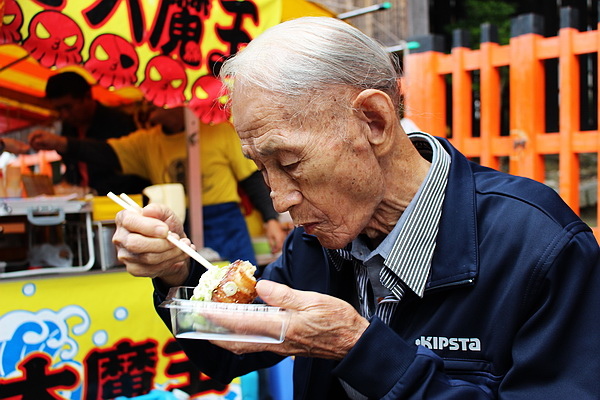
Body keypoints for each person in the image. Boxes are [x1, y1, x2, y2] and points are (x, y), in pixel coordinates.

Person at [112, 17, 600, 400]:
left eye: (290, 161)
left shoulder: (539, 247)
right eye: (261, 168)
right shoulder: (318, 240)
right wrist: (177, 273)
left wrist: (360, 349)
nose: (281, 201)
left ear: (373, 119)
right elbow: (229, 351)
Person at [28, 71, 150, 195]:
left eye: (68, 107)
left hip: (118, 205)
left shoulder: (119, 122)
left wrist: (93, 192)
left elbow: (127, 174)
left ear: (87, 96)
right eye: (58, 109)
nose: (64, 114)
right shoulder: (69, 127)